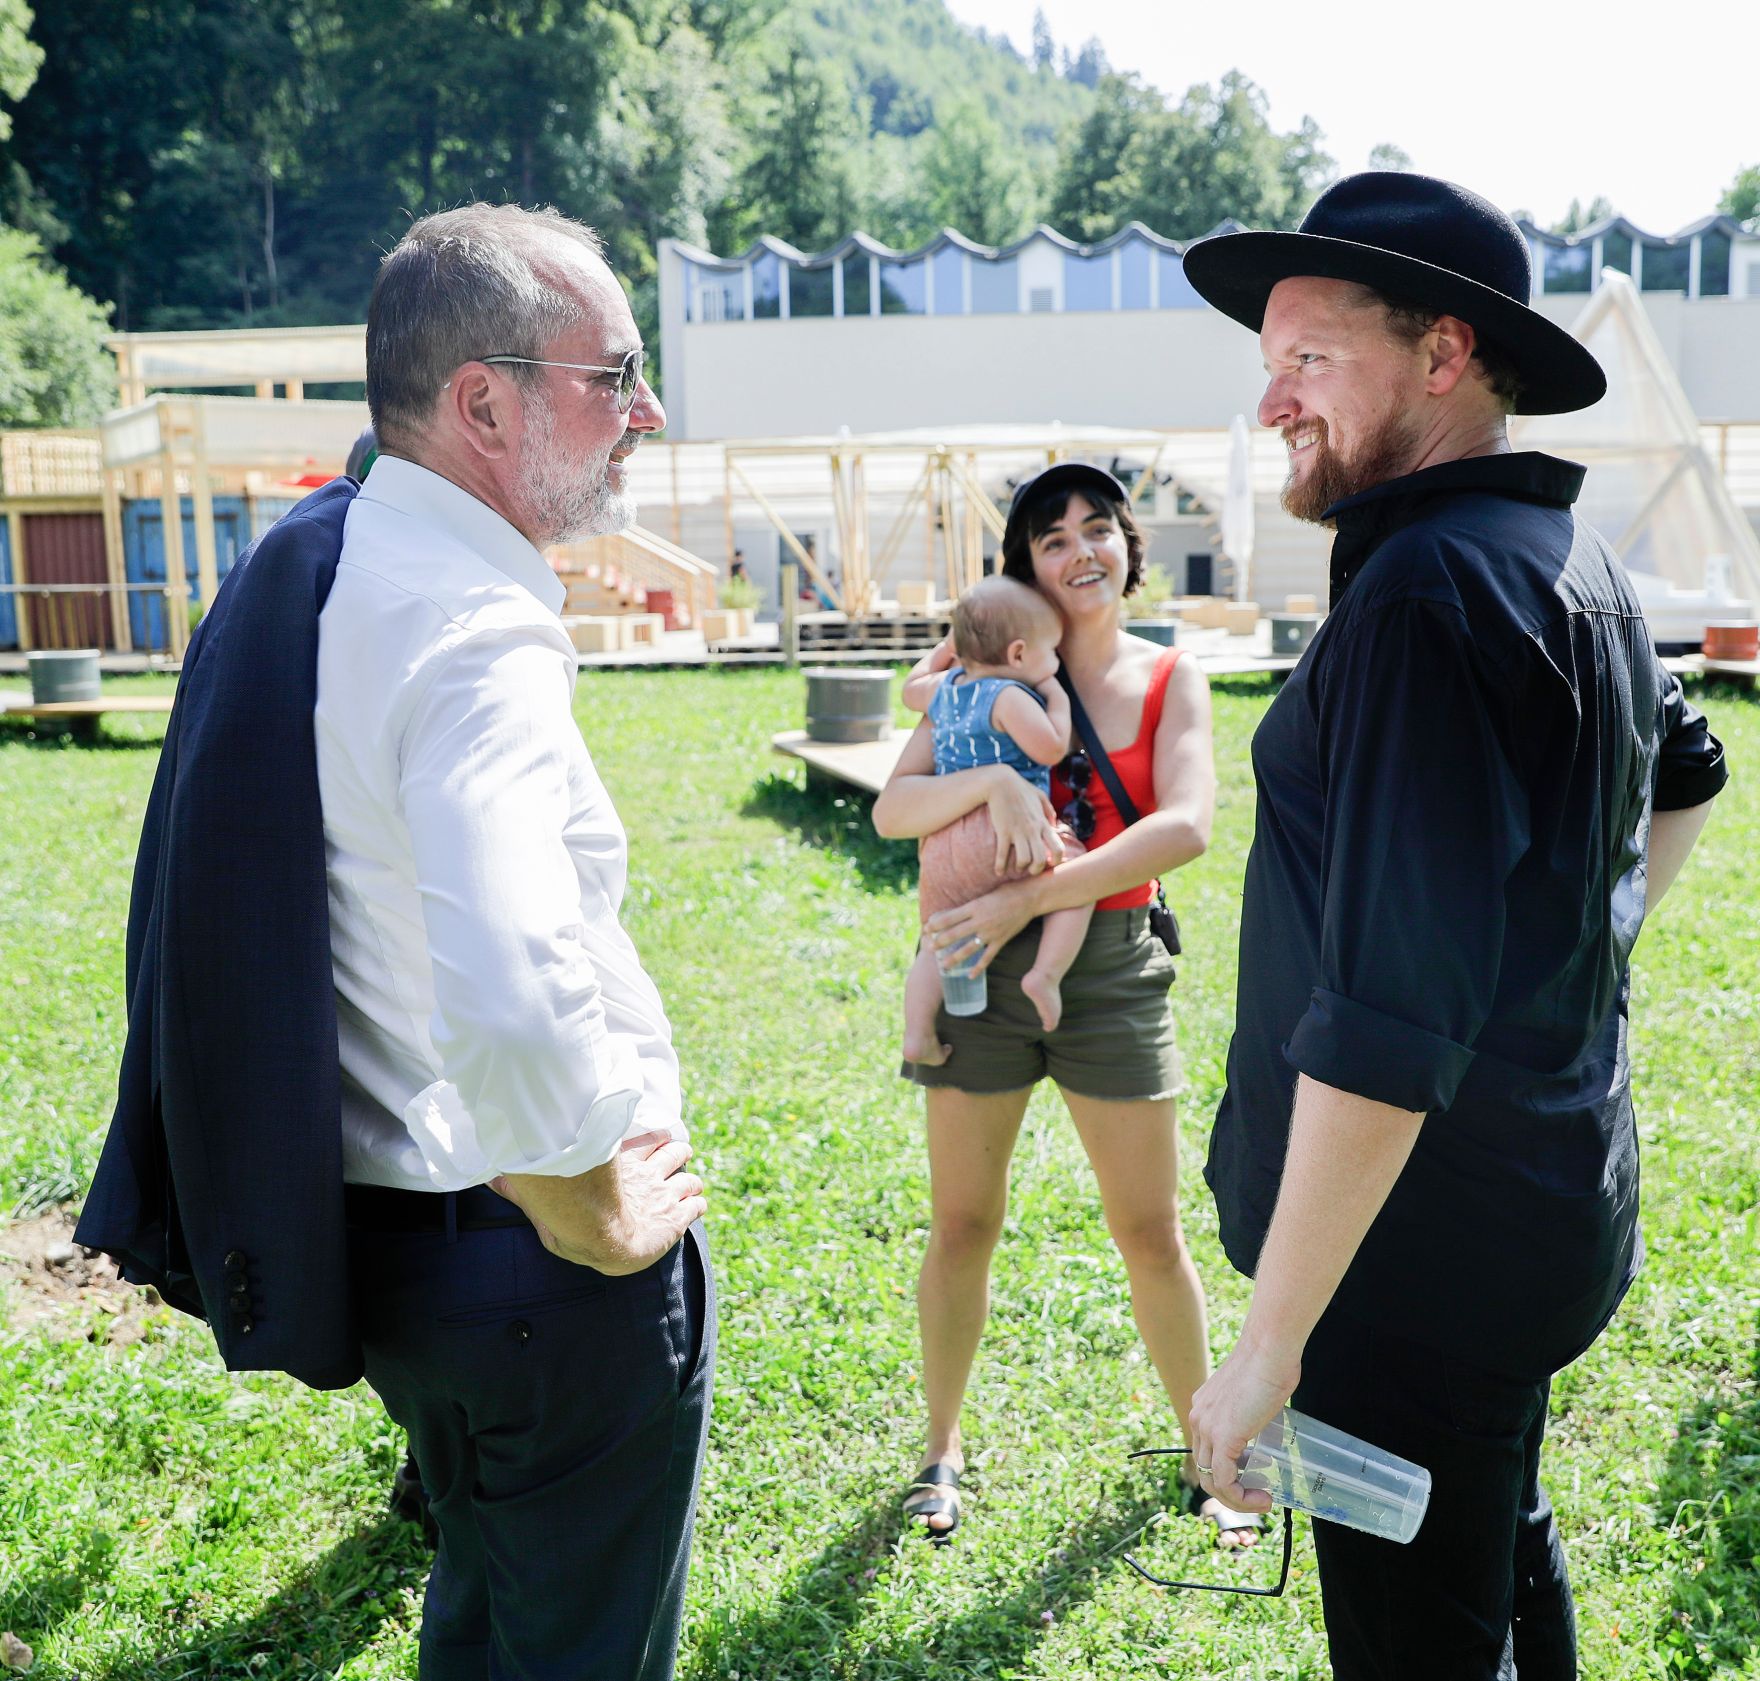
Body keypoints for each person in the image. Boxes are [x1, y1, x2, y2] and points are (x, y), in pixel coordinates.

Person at [78, 203, 714, 1681]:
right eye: (613, 374)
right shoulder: (472, 623)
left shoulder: (336, 559)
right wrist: (589, 1204)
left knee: (487, 1615)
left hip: (399, 1254)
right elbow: (508, 968)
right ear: (484, 402)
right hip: (537, 1274)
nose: (648, 412)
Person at [1180, 172, 1729, 1677]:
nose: (1272, 398)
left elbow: (1388, 1024)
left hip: (1409, 1264)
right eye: (1269, 359)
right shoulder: (1571, 560)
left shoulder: (1431, 590)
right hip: (1535, 1212)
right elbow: (1689, 768)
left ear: (1444, 356)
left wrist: (1269, 1342)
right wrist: (1577, 947)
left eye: (1310, 357)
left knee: (1419, 1629)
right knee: (1491, 1527)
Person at [872, 464, 1259, 1548]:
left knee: (1148, 1227)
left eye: (1098, 527)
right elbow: (892, 806)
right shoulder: (978, 666)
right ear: (1023, 566)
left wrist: (1028, 900)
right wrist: (991, 785)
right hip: (969, 972)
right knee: (963, 1221)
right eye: (1051, 537)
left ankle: (1206, 1452)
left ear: (1130, 547)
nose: (1079, 549)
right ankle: (939, 1450)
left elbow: (1182, 827)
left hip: (1109, 967)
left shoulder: (1167, 676)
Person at [898, 575, 1092, 1066]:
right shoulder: (1010, 696)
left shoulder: (944, 688)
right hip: (1008, 836)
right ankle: (1045, 973)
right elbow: (1049, 747)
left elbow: (908, 689)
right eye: (1052, 652)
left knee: (936, 938)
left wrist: (947, 650)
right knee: (1078, 869)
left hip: (941, 844)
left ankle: (918, 1032)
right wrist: (1059, 699)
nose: (1056, 661)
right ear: (1021, 653)